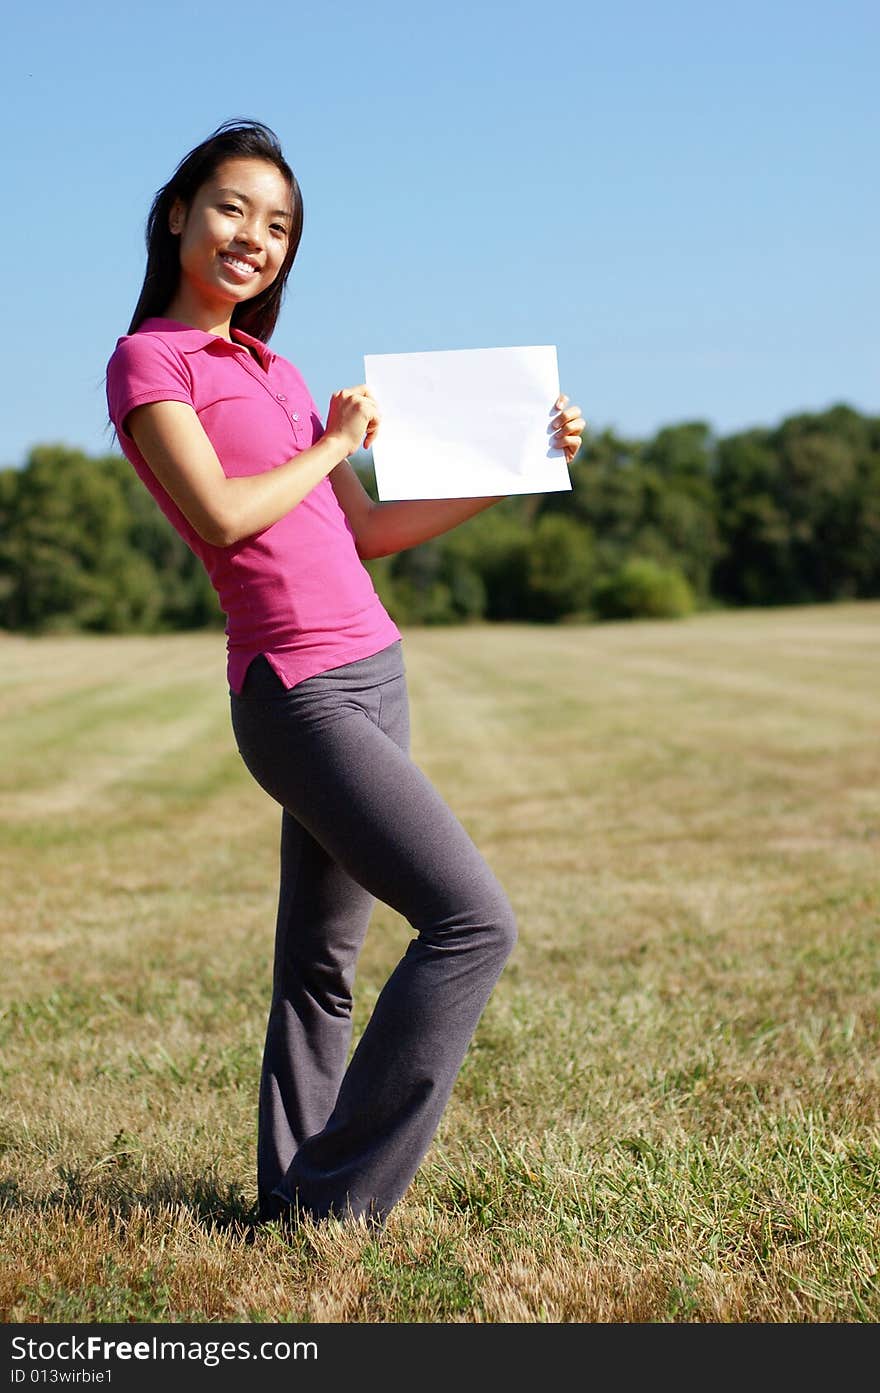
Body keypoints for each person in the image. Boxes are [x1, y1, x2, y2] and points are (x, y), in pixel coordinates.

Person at [105, 118, 585, 1230]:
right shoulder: (151, 361)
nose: (252, 237)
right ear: (177, 212)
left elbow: (362, 530)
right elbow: (223, 515)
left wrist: (523, 468)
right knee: (473, 923)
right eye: (231, 208)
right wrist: (330, 443)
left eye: (278, 226)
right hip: (294, 690)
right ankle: (334, 1202)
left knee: (322, 963)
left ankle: (290, 1188)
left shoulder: (276, 368)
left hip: (372, 666)